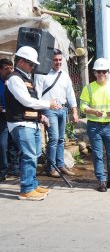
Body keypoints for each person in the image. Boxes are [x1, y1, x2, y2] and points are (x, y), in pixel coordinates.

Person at [5, 46, 61, 200]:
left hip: (31, 122)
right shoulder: (15, 78)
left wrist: (40, 116)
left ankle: (33, 185)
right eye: (31, 64)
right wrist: (48, 104)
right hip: (21, 124)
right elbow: (26, 100)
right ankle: (26, 189)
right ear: (21, 61)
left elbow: (31, 102)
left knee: (34, 154)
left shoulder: (26, 78)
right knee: (29, 155)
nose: (33, 67)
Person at [79, 58, 110, 192]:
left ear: (108, 72)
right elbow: (82, 106)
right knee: (98, 154)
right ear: (94, 73)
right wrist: (92, 111)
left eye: (103, 71)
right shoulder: (88, 88)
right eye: (98, 72)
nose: (101, 74)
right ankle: (102, 181)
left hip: (109, 125)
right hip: (94, 126)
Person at [35, 49, 79, 177]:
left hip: (63, 110)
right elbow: (37, 95)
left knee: (60, 139)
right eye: (55, 60)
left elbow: (70, 94)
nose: (58, 62)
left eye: (60, 60)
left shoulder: (64, 75)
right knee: (53, 138)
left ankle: (60, 165)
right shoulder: (42, 74)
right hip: (49, 110)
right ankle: (51, 168)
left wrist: (74, 112)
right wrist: (40, 113)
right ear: (50, 60)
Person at [0, 58, 13, 182]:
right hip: (2, 118)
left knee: (15, 143)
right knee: (3, 144)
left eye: (11, 68)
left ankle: (15, 169)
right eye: (6, 69)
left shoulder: (14, 81)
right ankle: (4, 170)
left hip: (14, 117)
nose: (9, 71)